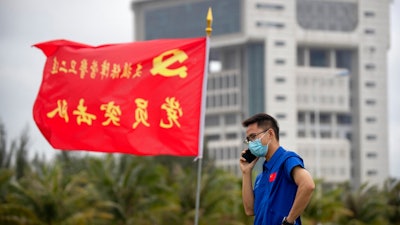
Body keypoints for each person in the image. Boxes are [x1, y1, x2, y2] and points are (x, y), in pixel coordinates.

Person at [239, 113, 315, 225]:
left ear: (270, 134)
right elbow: (250, 210)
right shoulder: (261, 176)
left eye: (253, 137)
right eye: (248, 140)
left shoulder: (287, 159)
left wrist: (289, 221)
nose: (250, 144)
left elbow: (308, 185)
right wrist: (246, 172)